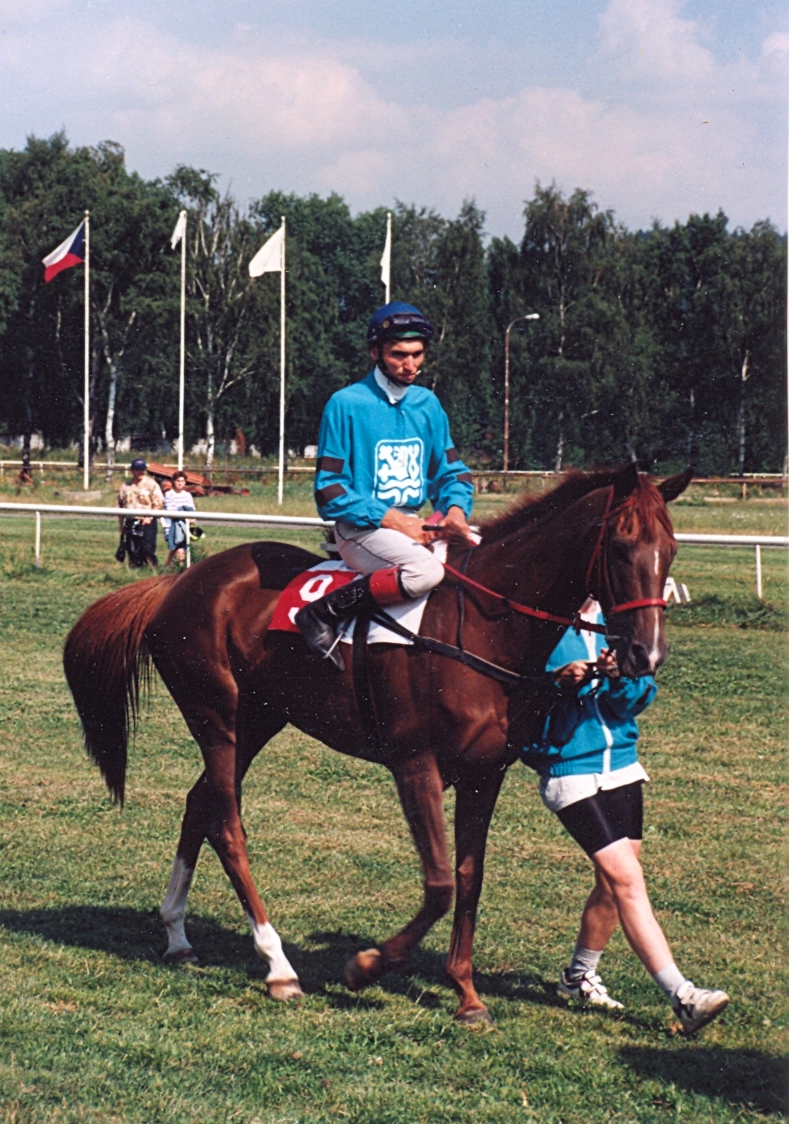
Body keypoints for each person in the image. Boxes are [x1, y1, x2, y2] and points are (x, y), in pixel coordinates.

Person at [522, 598, 730, 1035]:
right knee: (626, 881)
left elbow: (637, 699)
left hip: (621, 765)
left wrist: (620, 679)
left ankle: (577, 978)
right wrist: (556, 684)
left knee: (613, 885)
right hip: (569, 770)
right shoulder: (538, 622)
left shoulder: (614, 625)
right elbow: (515, 699)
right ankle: (683, 996)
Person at [295, 301, 477, 668]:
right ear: (375, 352)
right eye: (398, 355)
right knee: (425, 572)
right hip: (361, 529)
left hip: (416, 525)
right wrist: (395, 520)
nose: (410, 365)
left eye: (417, 354)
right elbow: (330, 490)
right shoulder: (345, 404)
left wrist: (456, 510)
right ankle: (323, 614)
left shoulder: (428, 404)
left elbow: (454, 472)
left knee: (488, 560)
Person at [117, 457, 164, 568]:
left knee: (148, 549)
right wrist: (121, 524)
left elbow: (158, 503)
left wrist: (149, 517)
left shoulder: (151, 484)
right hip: (131, 520)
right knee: (132, 550)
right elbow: (119, 504)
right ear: (132, 470)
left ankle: (152, 570)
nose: (140, 472)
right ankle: (135, 572)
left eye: (142, 469)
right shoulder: (125, 486)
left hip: (146, 521)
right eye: (137, 469)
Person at [163, 470, 196, 567]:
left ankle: (167, 565)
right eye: (178, 481)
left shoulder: (187, 495)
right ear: (173, 482)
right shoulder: (169, 494)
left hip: (185, 525)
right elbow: (171, 510)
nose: (180, 483)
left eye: (182, 481)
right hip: (172, 525)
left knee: (177, 547)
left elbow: (192, 509)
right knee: (179, 548)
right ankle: (181, 568)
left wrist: (191, 518)